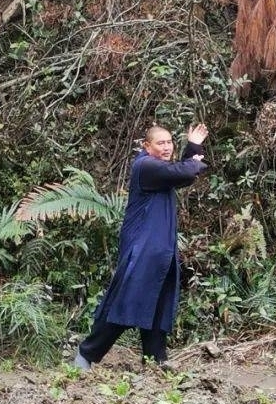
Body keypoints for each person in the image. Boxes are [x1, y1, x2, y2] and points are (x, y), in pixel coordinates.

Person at [73, 124, 209, 371]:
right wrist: (194, 157)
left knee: (158, 305)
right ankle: (86, 354)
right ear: (147, 147)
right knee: (127, 303)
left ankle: (155, 361)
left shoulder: (162, 171)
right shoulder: (145, 166)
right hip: (142, 250)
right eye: (161, 143)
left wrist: (193, 149)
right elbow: (184, 171)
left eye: (169, 142)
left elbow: (182, 173)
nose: (167, 147)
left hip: (161, 251)